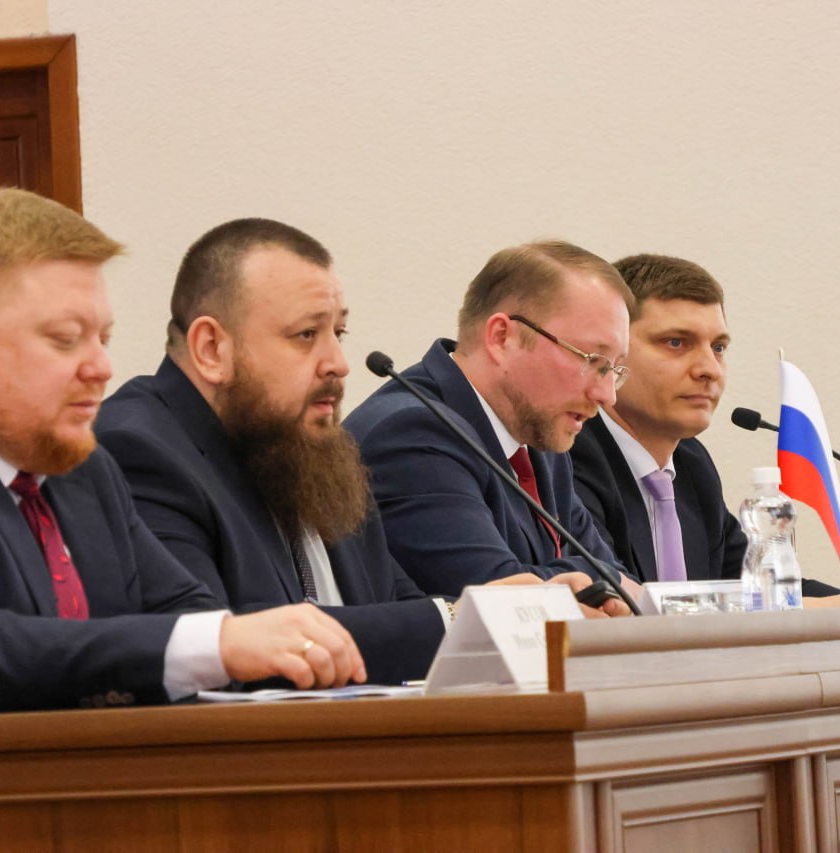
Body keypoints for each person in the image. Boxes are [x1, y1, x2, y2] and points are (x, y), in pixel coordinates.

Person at [0, 188, 364, 853]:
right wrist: (221, 642)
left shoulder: (81, 470)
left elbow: (183, 611)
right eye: (66, 340)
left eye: (104, 338)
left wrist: (239, 642)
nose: (101, 368)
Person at [96, 220, 623, 688]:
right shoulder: (142, 450)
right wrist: (463, 616)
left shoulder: (313, 451)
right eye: (306, 335)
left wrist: (497, 613)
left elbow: (395, 605)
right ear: (212, 349)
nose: (338, 363)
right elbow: (221, 643)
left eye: (338, 333)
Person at [345, 240, 641, 598]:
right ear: (502, 338)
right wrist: (601, 580)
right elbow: (502, 598)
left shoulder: (538, 433)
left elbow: (620, 584)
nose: (607, 395)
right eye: (592, 360)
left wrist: (601, 580)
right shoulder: (412, 436)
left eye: (613, 370)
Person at [567, 252, 840, 595]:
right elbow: (615, 599)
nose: (709, 369)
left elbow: (761, 590)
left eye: (719, 347)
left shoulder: (692, 464)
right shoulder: (569, 457)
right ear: (613, 350)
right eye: (676, 343)